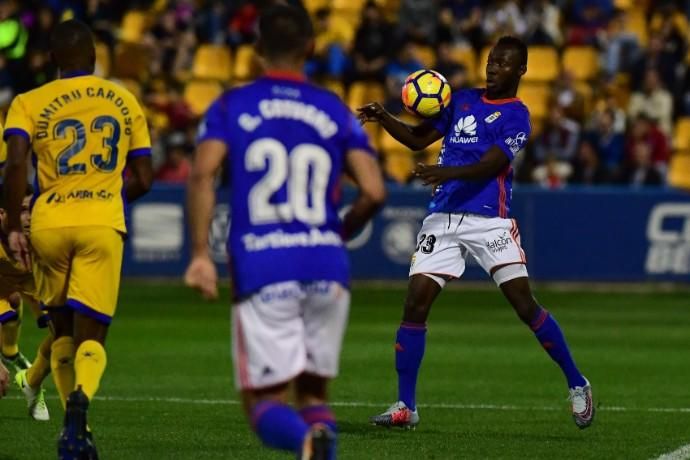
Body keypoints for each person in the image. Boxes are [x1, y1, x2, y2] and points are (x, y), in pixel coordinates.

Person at [358, 36, 594, 430]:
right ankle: (406, 405)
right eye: (490, 61)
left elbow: (490, 165)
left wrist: (444, 173)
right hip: (443, 219)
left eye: (502, 64)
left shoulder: (517, 115)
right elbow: (419, 139)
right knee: (415, 302)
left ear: (520, 70)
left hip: (489, 221)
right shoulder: (464, 98)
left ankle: (577, 382)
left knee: (524, 306)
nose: (492, 68)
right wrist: (384, 117)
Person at [184, 5, 385, 459]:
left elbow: (202, 175)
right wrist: (336, 231)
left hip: (263, 264)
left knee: (262, 402)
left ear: (256, 50)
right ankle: (320, 441)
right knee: (313, 397)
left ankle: (305, 444)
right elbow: (373, 190)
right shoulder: (332, 108)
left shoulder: (232, 104)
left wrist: (200, 253)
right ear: (311, 48)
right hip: (325, 264)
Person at [3, 19, 153, 459]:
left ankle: (73, 420)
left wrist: (14, 224)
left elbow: (15, 165)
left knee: (60, 330)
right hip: (101, 222)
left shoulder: (28, 101)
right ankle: (80, 411)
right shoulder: (125, 100)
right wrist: (107, 197)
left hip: (48, 223)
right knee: (93, 339)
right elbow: (144, 176)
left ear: (51, 59)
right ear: (95, 57)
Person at [0, 183, 53, 421]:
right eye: (22, 210)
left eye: (32, 208)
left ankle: (30, 380)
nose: (30, 217)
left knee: (68, 333)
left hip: (34, 284)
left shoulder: (45, 233)